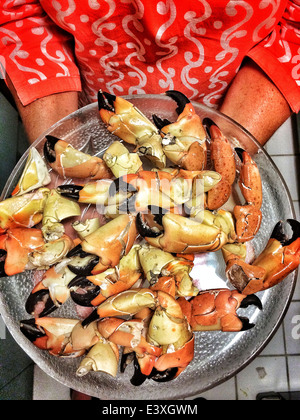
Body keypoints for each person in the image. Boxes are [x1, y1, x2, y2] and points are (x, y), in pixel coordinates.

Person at [0, 0, 299, 401]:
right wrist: (65, 144)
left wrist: (230, 144)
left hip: (224, 95)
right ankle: (102, 367)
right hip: (91, 88)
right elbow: (15, 13)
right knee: (102, 351)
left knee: (132, 323)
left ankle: (115, 362)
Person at [0, 0, 299, 147]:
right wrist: (64, 151)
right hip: (98, 102)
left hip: (231, 99)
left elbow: (294, 28)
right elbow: (21, 13)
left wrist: (230, 142)